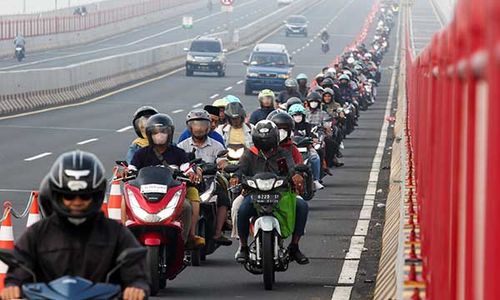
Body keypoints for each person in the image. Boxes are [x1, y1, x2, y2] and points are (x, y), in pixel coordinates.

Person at [1, 150, 149, 300]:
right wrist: (13, 285)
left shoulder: (116, 232)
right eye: (69, 196)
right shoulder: (38, 232)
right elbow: (20, 264)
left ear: (96, 195)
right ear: (57, 195)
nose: (77, 202)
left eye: (84, 196)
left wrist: (136, 286)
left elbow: (135, 267)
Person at [231, 120, 309, 265]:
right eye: (261, 139)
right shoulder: (249, 154)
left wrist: (296, 175)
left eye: (268, 139)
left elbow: (292, 168)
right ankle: (243, 246)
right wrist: (235, 177)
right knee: (241, 209)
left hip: (282, 194)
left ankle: (294, 246)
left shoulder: (284, 153)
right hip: (253, 194)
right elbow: (240, 169)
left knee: (302, 206)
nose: (265, 142)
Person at [130, 114, 205, 248]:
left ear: (169, 133)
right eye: (156, 132)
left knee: (187, 206)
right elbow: (131, 169)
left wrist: (191, 174)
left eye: (163, 132)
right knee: (126, 200)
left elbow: (186, 168)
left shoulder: (178, 153)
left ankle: (188, 237)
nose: (160, 135)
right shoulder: (141, 153)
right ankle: (126, 236)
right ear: (149, 134)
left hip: (172, 192)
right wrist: (124, 171)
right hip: (146, 195)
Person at [177, 110, 232, 246]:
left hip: (210, 180)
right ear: (190, 127)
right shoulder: (182, 146)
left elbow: (222, 160)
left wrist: (223, 165)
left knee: (223, 197)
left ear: (208, 126)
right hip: (189, 182)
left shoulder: (216, 144)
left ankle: (218, 232)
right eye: (196, 125)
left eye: (202, 125)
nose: (199, 128)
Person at [288, 104, 324, 189]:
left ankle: (316, 180)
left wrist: (314, 140)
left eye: (299, 115)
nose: (298, 117)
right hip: (292, 148)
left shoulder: (308, 126)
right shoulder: (288, 127)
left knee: (315, 158)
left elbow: (314, 135)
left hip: (307, 148)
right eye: (295, 115)